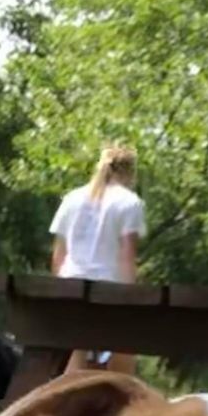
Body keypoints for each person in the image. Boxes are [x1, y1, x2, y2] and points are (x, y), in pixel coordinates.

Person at [49, 143, 146, 374]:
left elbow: (59, 255)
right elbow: (127, 256)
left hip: (70, 286)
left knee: (77, 347)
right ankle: (120, 391)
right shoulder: (129, 202)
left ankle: (70, 386)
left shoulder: (72, 198)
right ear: (130, 173)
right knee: (125, 344)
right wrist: (131, 297)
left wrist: (57, 289)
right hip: (108, 289)